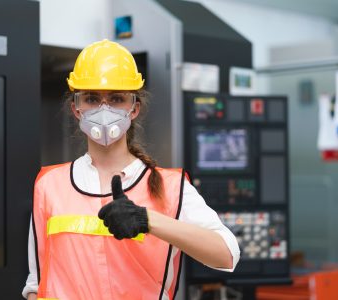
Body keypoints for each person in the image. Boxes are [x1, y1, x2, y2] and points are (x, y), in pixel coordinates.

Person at [22, 39, 240, 300]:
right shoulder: (49, 184)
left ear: (134, 108)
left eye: (116, 98)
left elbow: (227, 254)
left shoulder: (170, 187)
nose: (104, 109)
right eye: (91, 98)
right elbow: (37, 282)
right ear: (76, 109)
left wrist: (148, 220)